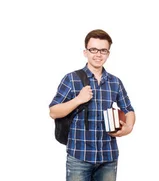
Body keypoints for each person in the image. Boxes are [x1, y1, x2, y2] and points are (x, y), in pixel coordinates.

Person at [49, 29, 136, 181]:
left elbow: (129, 110)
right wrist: (78, 99)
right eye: (93, 50)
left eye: (103, 50)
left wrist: (128, 128)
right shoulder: (71, 79)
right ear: (85, 52)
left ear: (108, 53)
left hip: (108, 157)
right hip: (79, 156)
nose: (98, 54)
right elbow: (53, 111)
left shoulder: (115, 82)